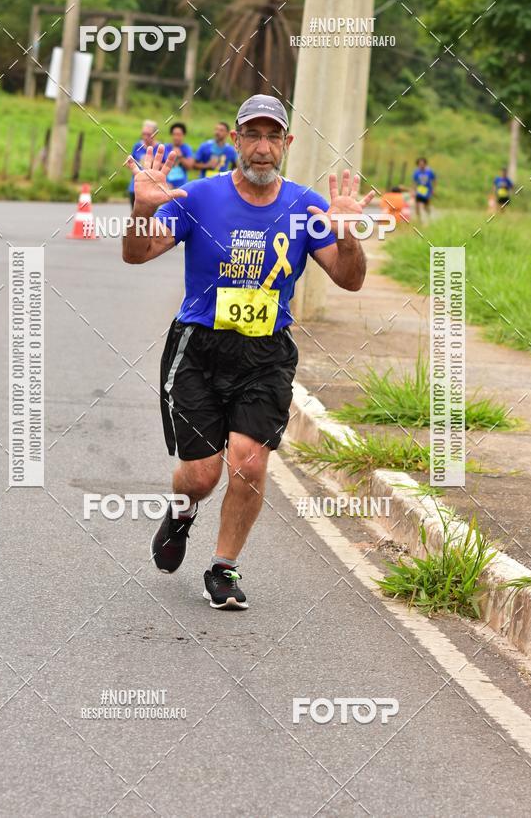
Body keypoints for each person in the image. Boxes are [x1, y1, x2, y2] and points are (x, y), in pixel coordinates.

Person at [123, 94, 372, 610]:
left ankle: (224, 567)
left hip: (266, 354)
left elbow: (349, 280)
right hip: (199, 349)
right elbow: (137, 253)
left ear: (286, 143)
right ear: (235, 140)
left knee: (249, 463)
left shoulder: (307, 207)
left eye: (272, 136)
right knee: (202, 474)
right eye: (252, 136)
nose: (262, 148)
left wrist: (348, 238)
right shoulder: (198, 198)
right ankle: (182, 512)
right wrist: (142, 211)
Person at [127, 120, 158, 209]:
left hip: (152, 188)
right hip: (135, 187)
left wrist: (153, 162)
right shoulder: (137, 146)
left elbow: (165, 166)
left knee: (149, 218)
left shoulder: (159, 148)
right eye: (143, 134)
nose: (145, 137)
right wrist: (130, 162)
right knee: (135, 217)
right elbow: (129, 164)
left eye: (148, 134)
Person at [162, 123, 194, 189]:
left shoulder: (187, 148)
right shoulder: (165, 147)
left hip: (182, 186)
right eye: (174, 134)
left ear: (183, 135)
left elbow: (190, 166)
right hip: (166, 186)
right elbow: (158, 165)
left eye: (179, 135)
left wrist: (180, 156)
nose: (176, 137)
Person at [412, 157, 436, 224]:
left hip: (427, 190)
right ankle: (418, 220)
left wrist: (433, 189)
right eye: (420, 164)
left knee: (426, 206)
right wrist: (413, 190)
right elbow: (414, 182)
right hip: (419, 190)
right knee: (417, 205)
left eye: (422, 164)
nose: (421, 165)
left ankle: (429, 216)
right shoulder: (416, 172)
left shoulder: (430, 171)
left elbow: (434, 180)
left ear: (425, 164)